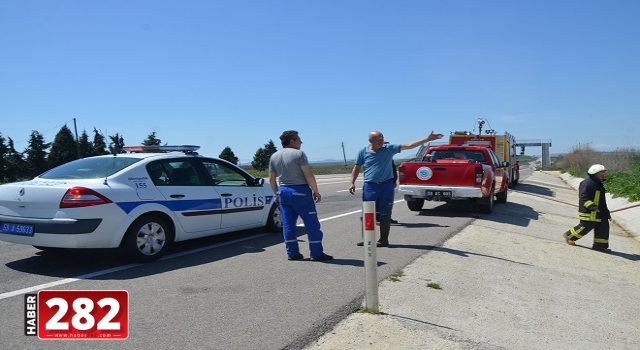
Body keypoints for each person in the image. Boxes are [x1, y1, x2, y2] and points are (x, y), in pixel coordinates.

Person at [349, 130, 444, 247]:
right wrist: (352, 182)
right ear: (370, 141)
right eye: (378, 139)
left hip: (386, 186)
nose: (381, 141)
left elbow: (408, 145)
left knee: (385, 213)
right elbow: (357, 167)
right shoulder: (363, 152)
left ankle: (383, 239)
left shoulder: (389, 149)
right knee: (367, 213)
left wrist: (427, 139)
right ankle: (366, 239)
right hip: (370, 186)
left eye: (382, 138)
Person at [269, 130, 333, 262]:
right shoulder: (299, 154)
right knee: (312, 224)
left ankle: (292, 253)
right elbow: (308, 174)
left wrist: (276, 193)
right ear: (292, 141)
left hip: (283, 191)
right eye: (298, 139)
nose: (301, 142)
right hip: (299, 191)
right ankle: (316, 253)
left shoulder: (274, 156)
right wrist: (316, 190)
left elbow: (271, 179)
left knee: (288, 224)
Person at [562, 164, 612, 253]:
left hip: (600, 212)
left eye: (604, 172)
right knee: (586, 226)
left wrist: (605, 212)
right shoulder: (587, 183)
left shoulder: (598, 184)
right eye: (602, 172)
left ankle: (599, 246)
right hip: (589, 212)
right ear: (595, 173)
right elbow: (583, 197)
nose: (604, 174)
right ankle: (569, 236)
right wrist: (592, 207)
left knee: (603, 228)